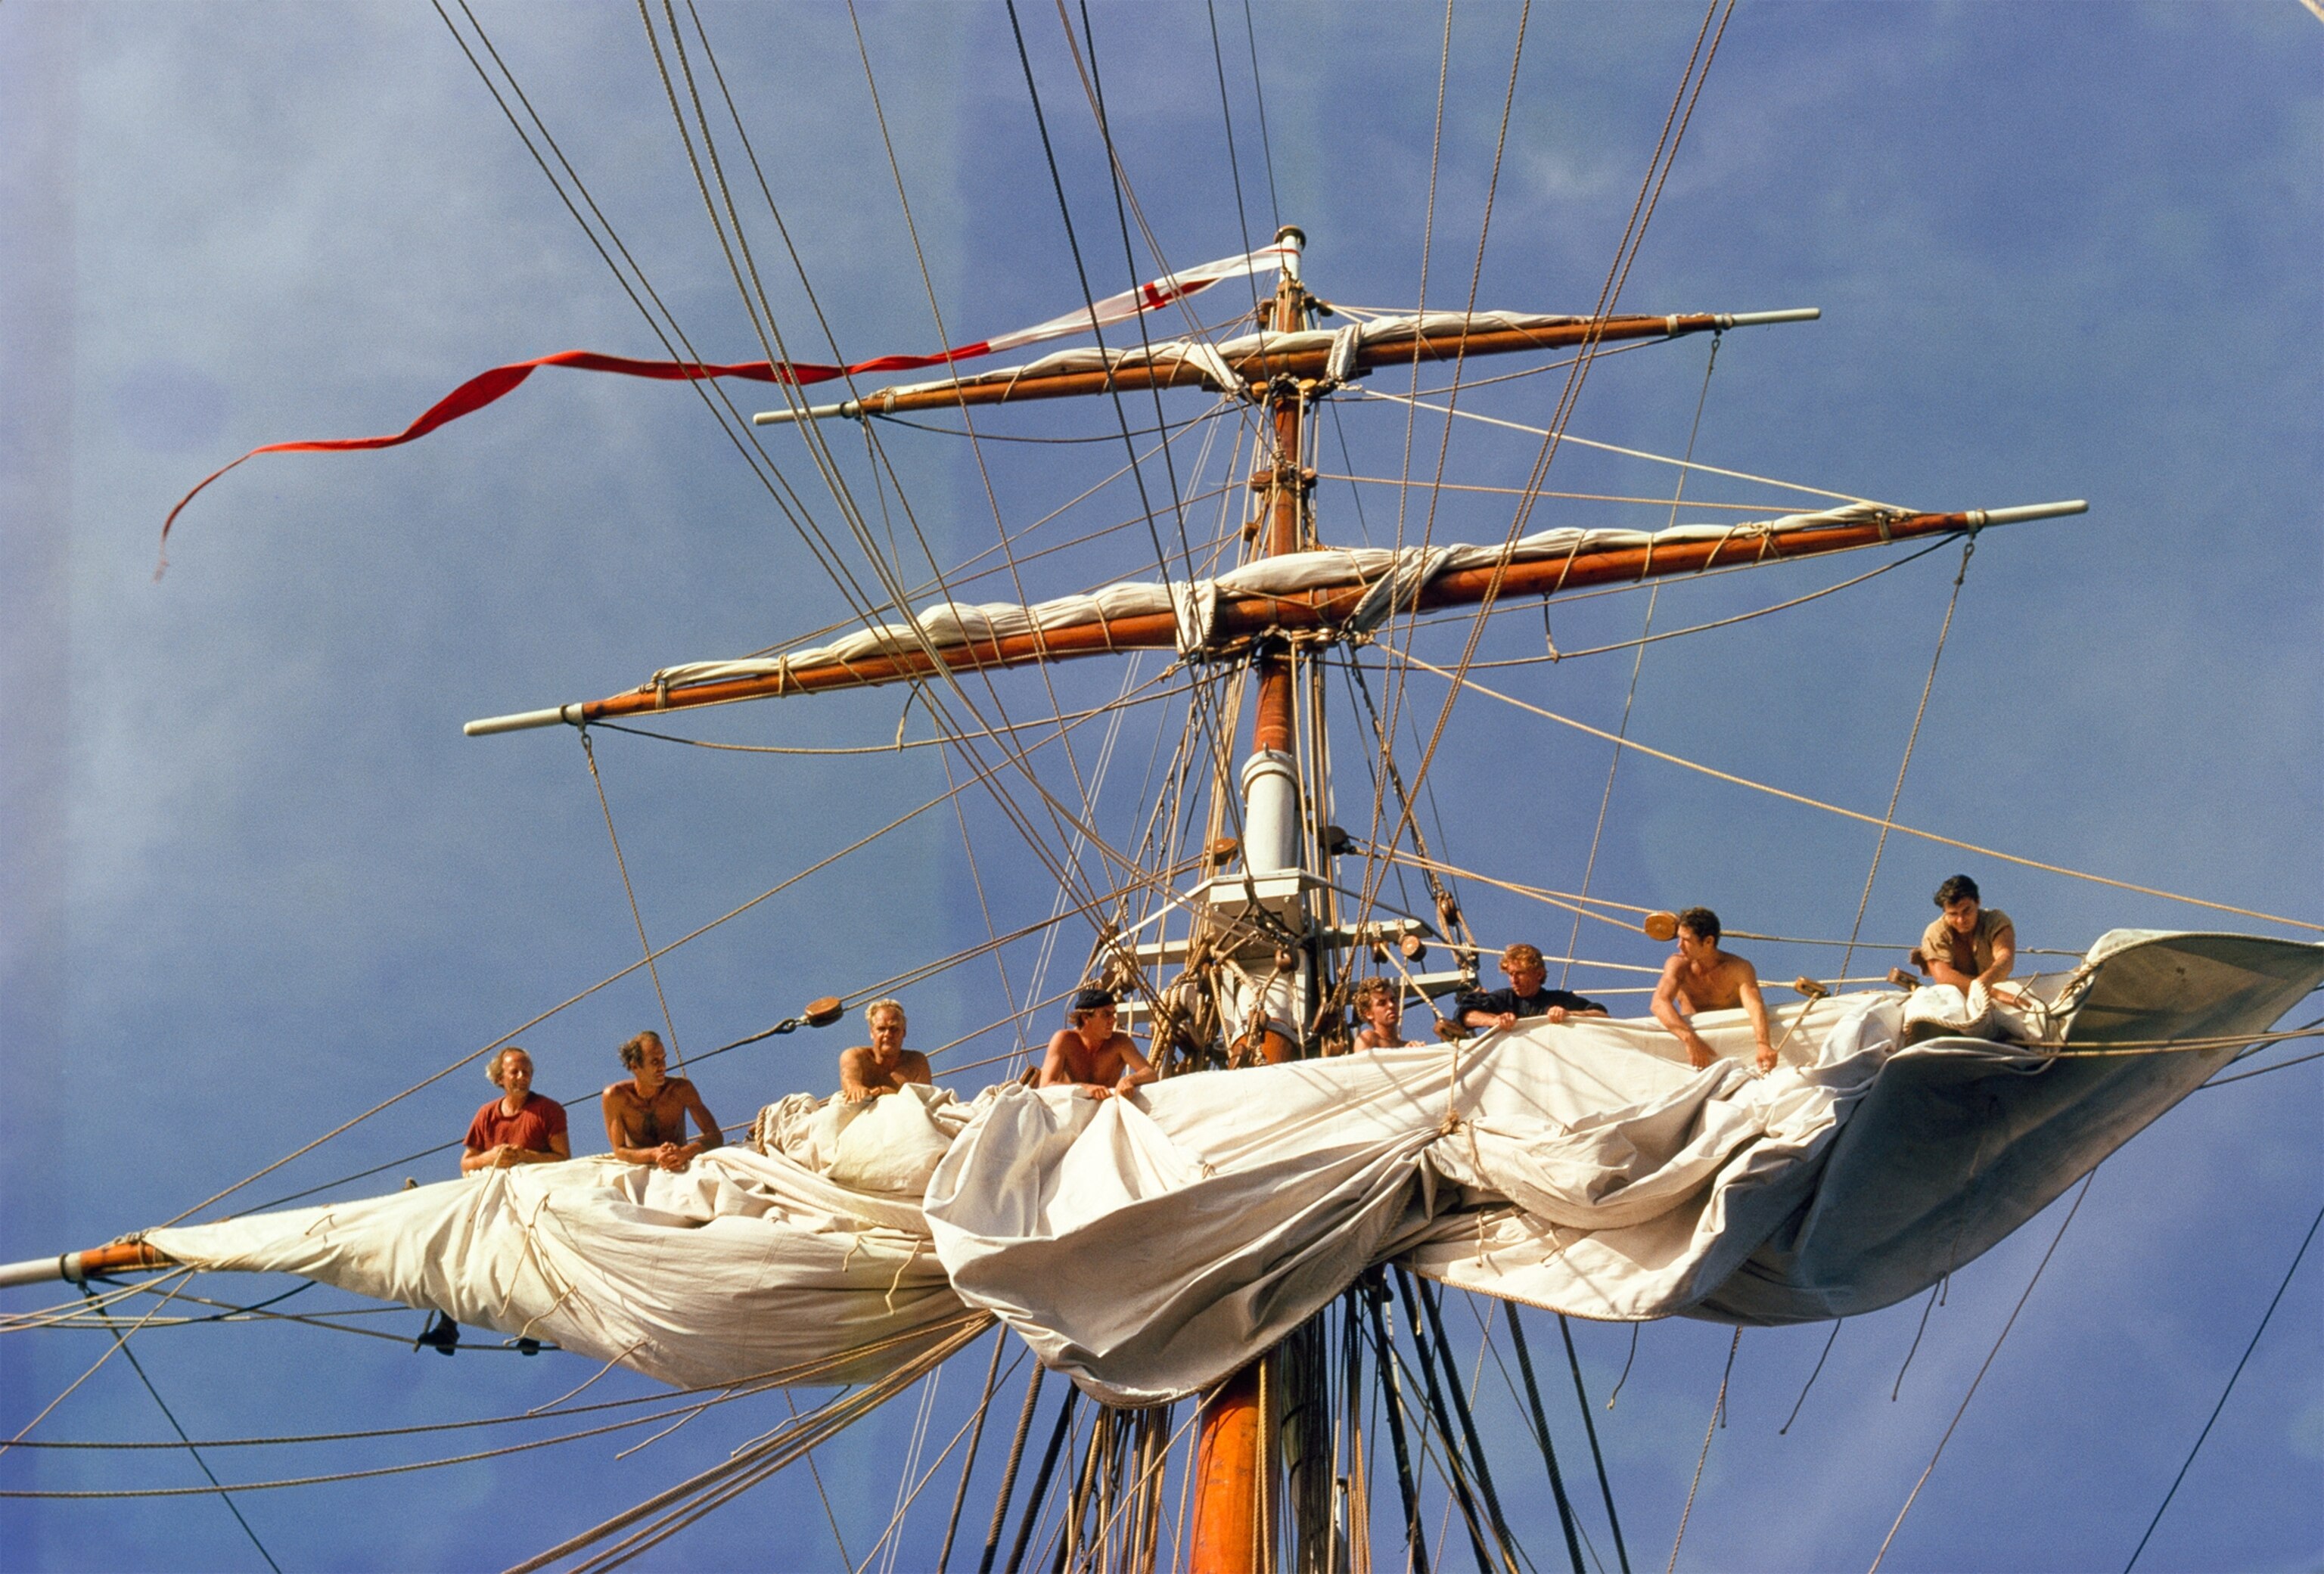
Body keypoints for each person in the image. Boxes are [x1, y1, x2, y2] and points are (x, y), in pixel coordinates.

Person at [1651, 908, 1776, 1073]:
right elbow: (1659, 1003)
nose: (1679, 945)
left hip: (1732, 1046)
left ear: (1708, 942)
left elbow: (1754, 1005)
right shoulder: (1678, 965)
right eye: (1679, 938)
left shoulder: (1738, 968)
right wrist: (1690, 1040)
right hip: (1692, 1049)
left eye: (1686, 940)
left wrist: (1763, 1045)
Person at [601, 1031, 722, 1172]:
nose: (663, 1067)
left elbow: (715, 1136)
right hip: (640, 1168)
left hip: (680, 1163)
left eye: (663, 1059)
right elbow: (619, 1150)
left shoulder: (681, 1090)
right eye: (655, 1062)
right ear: (635, 1066)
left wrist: (685, 1152)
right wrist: (654, 1154)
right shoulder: (616, 1097)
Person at [461, 1047, 571, 1173]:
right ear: (500, 1078)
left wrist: (524, 1156)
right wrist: (489, 1158)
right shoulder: (486, 1113)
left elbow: (564, 1159)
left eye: (526, 1072)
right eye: (514, 1072)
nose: (521, 1077)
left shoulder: (549, 1110)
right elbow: (465, 1163)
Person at [1454, 942, 1609, 1032]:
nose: (1514, 980)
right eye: (1510, 974)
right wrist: (1494, 1020)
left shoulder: (1559, 1000)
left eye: (1520, 974)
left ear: (1539, 974)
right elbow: (1464, 1016)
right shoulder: (1503, 999)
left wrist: (1568, 1014)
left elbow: (1602, 1016)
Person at [1039, 987, 1157, 1101]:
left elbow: (1150, 1073)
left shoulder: (1120, 1042)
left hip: (1107, 1112)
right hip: (1070, 1112)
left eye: (1113, 1014)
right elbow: (1046, 1085)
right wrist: (1085, 1089)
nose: (1114, 1020)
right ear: (1086, 1018)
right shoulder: (1065, 1040)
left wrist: (1128, 1080)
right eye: (1106, 1014)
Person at [1911, 874, 2017, 992]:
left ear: (1978, 902)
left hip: (1996, 987)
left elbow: (2005, 958)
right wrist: (1989, 992)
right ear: (1945, 912)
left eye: (1966, 911)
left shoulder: (1996, 921)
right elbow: (1943, 976)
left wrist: (1985, 983)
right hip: (1958, 996)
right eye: (1953, 914)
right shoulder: (1936, 932)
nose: (1961, 920)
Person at [837, 999, 932, 1102]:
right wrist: (856, 1087)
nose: (888, 1034)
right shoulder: (855, 1056)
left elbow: (924, 1102)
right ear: (872, 1033)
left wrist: (883, 1092)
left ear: (904, 1032)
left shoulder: (917, 1063)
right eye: (881, 1029)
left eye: (894, 1028)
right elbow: (850, 1081)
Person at [1350, 978, 1410, 1051]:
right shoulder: (1369, 1039)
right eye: (1382, 1003)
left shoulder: (1407, 1046)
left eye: (1393, 1000)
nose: (1391, 1005)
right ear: (1368, 1014)